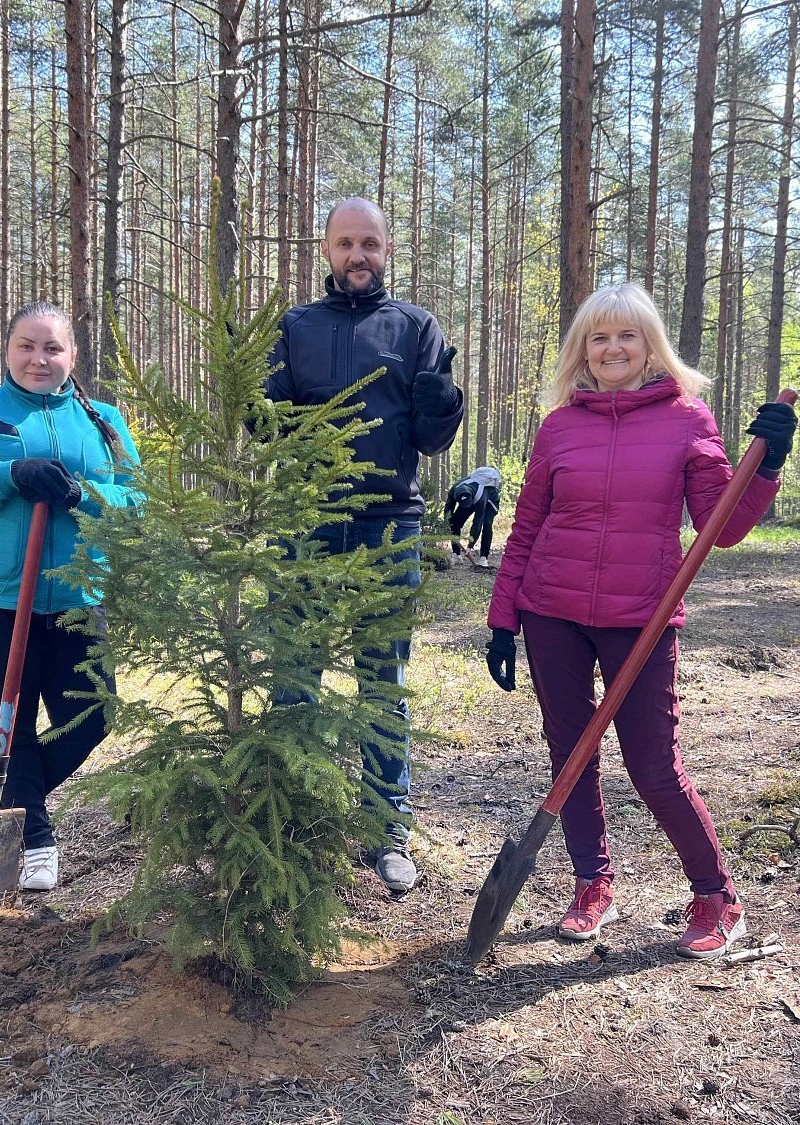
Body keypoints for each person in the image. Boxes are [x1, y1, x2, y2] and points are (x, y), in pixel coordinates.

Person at [483, 281, 796, 959]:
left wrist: (766, 464)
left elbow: (725, 526)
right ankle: (593, 883)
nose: (613, 347)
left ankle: (717, 895)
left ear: (650, 344)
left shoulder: (688, 419)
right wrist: (503, 617)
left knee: (654, 765)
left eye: (627, 335)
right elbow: (529, 525)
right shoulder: (561, 425)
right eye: (599, 337)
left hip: (642, 617)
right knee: (571, 756)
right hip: (551, 611)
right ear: (582, 351)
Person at [265, 197, 464, 894]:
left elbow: (433, 439)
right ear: (327, 249)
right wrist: (260, 399)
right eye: (346, 242)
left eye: (370, 244)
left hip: (389, 524)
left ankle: (388, 828)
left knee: (384, 680)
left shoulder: (415, 328)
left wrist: (444, 402)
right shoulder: (295, 328)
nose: (358, 255)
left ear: (387, 250)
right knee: (294, 676)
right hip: (307, 523)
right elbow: (270, 429)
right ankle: (290, 821)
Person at [0, 301, 140, 891]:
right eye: (26, 345)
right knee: (8, 717)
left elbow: (138, 502)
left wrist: (83, 493)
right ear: (9, 349)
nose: (38, 359)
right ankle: (35, 839)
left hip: (75, 592)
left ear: (73, 355)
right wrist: (6, 478)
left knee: (93, 714)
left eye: (52, 348)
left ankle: (15, 793)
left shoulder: (104, 422)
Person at [445, 466, 503, 568]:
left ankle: (483, 558)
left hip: (490, 500)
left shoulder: (481, 498)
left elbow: (477, 523)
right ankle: (456, 554)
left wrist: (470, 546)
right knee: (455, 522)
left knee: (486, 524)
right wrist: (446, 523)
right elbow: (448, 509)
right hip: (471, 498)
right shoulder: (454, 490)